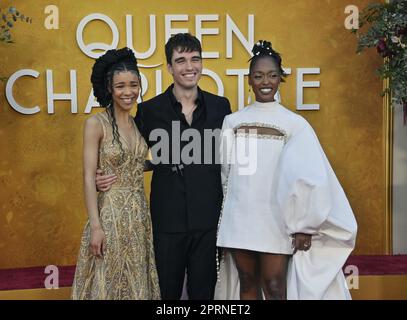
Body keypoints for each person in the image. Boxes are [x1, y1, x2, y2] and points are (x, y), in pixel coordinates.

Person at [215, 40, 357, 300]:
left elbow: (311, 177)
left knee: (275, 285)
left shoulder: (296, 124)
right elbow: (226, 173)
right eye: (258, 76)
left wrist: (304, 225)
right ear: (249, 80)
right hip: (240, 218)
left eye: (271, 75)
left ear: (281, 78)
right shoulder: (231, 122)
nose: (265, 81)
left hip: (276, 220)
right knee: (246, 282)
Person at [96, 33, 232, 299]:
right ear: (169, 67)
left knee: (204, 295)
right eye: (180, 60)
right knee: (166, 294)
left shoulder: (221, 107)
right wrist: (107, 173)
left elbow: (231, 159)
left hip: (209, 220)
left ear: (202, 63)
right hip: (166, 221)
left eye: (195, 59)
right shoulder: (150, 110)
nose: (189, 66)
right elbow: (133, 154)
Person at [71, 47, 161, 300]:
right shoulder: (95, 124)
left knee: (135, 283)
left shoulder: (139, 123)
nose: (128, 92)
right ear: (109, 89)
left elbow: (137, 162)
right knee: (108, 283)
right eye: (120, 86)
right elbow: (89, 176)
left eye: (133, 85)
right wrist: (96, 227)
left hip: (139, 216)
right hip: (109, 217)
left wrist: (140, 168)